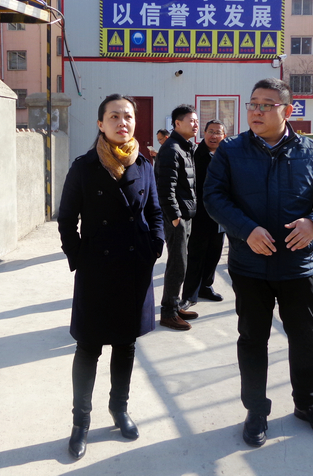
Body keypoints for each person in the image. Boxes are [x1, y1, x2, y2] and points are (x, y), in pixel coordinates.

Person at [203, 78, 313, 447]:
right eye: (253, 103)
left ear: (287, 110)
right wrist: (246, 229)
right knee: (253, 339)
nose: (256, 110)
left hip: (297, 266)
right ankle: (256, 410)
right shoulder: (231, 151)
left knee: (306, 338)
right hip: (250, 265)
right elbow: (213, 197)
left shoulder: (310, 151)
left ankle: (308, 404)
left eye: (266, 105)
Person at [58, 94, 164, 460]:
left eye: (128, 116)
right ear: (101, 124)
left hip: (134, 268)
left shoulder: (144, 164)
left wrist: (154, 247)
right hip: (96, 271)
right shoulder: (84, 167)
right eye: (114, 116)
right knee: (88, 347)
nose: (123, 122)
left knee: (126, 344)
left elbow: (155, 211)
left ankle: (119, 409)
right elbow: (66, 219)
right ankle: (81, 422)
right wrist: (79, 258)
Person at [155, 104, 199, 331]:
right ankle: (168, 313)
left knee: (181, 263)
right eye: (191, 120)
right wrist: (174, 217)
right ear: (177, 123)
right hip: (177, 218)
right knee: (176, 264)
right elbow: (165, 188)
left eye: (196, 120)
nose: (195, 124)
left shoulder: (185, 147)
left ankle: (175, 304)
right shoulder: (172, 149)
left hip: (185, 215)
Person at [181, 120, 226, 306]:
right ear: (204, 134)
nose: (214, 136)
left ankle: (206, 287)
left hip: (221, 214)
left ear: (224, 136)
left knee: (214, 253)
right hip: (199, 213)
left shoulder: (226, 156)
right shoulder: (195, 155)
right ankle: (189, 295)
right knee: (196, 254)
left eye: (218, 132)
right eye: (210, 131)